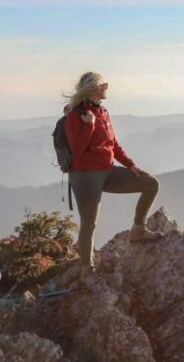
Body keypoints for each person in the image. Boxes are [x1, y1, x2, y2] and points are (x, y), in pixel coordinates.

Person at [64, 72, 162, 269]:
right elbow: (77, 150)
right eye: (104, 85)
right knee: (89, 224)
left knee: (151, 184)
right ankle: (87, 269)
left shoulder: (103, 111)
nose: (107, 88)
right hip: (85, 176)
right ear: (94, 88)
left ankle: (138, 230)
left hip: (108, 171)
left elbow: (113, 144)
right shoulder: (75, 115)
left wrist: (130, 165)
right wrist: (89, 126)